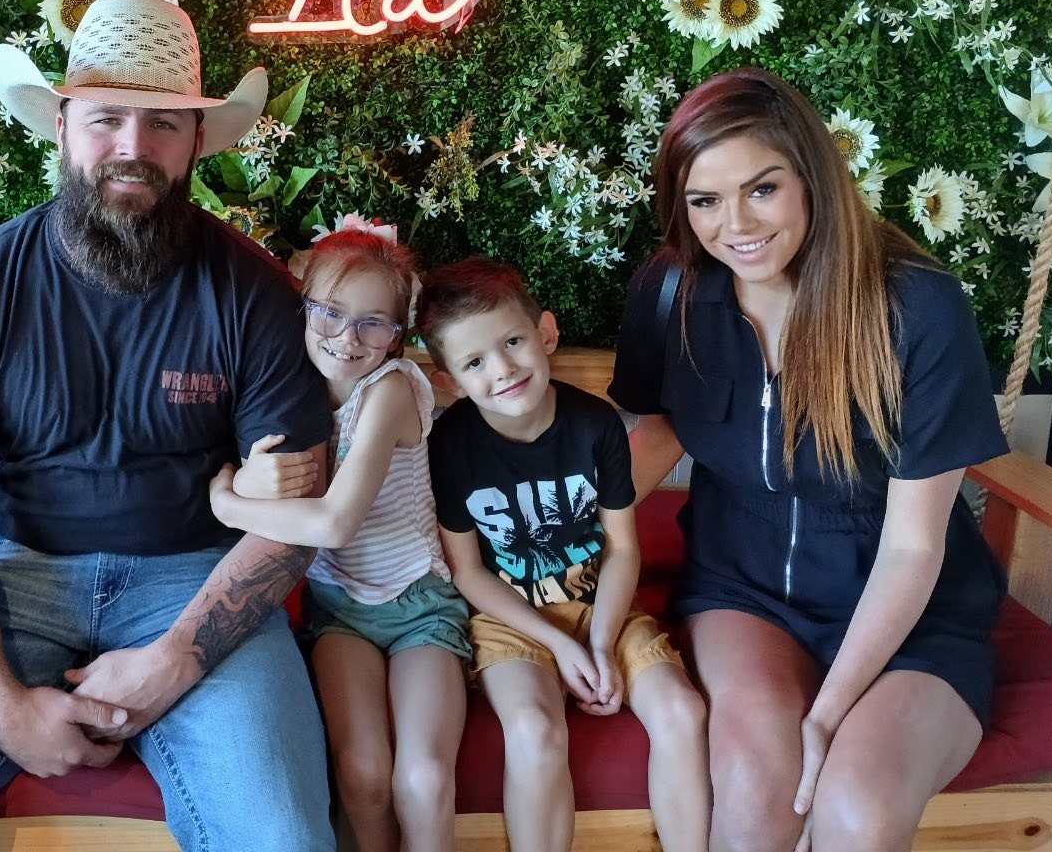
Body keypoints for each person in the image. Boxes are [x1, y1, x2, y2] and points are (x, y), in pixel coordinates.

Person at [0, 0, 336, 852]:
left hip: (197, 576)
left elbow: (294, 522)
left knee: (283, 841)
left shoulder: (256, 294)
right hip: (12, 574)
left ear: (196, 142)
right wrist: (0, 706)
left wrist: (177, 659)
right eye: (106, 117)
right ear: (62, 125)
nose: (132, 146)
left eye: (163, 124)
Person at [609, 66, 1009, 852]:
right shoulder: (672, 290)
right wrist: (544, 543)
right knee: (757, 790)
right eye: (704, 200)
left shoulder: (916, 304)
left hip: (909, 608)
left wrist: (826, 717)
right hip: (742, 588)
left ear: (811, 178)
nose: (735, 225)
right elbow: (657, 433)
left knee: (857, 808)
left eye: (762, 189)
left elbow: (913, 546)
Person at [419, 256, 710, 852]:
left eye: (513, 342)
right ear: (448, 381)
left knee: (683, 711)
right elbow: (468, 571)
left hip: (604, 605)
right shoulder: (450, 445)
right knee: (533, 729)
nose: (503, 369)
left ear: (545, 332)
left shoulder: (594, 425)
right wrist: (559, 644)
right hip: (510, 621)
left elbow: (622, 547)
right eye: (474, 362)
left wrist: (600, 643)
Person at [207, 218, 470, 852]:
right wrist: (245, 478)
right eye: (329, 312)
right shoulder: (290, 386)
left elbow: (335, 521)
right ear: (303, 306)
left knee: (423, 777)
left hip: (419, 605)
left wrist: (226, 502)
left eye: (373, 323)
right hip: (339, 609)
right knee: (361, 771)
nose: (347, 338)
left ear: (398, 334)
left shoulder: (391, 390)